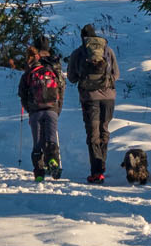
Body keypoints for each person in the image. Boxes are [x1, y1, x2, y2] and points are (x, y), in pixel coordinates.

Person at [66, 23, 120, 183]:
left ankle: (96, 171)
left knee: (93, 133)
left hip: (90, 98)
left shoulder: (78, 52)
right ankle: (101, 166)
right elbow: (116, 74)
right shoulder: (107, 51)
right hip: (109, 97)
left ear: (83, 37)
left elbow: (71, 77)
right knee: (104, 130)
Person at [18, 35, 64, 180]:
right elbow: (61, 86)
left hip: (35, 111)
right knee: (51, 139)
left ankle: (39, 172)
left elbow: (22, 91)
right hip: (52, 109)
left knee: (37, 142)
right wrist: (57, 107)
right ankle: (53, 161)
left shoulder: (31, 65)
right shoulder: (54, 63)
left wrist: (29, 108)